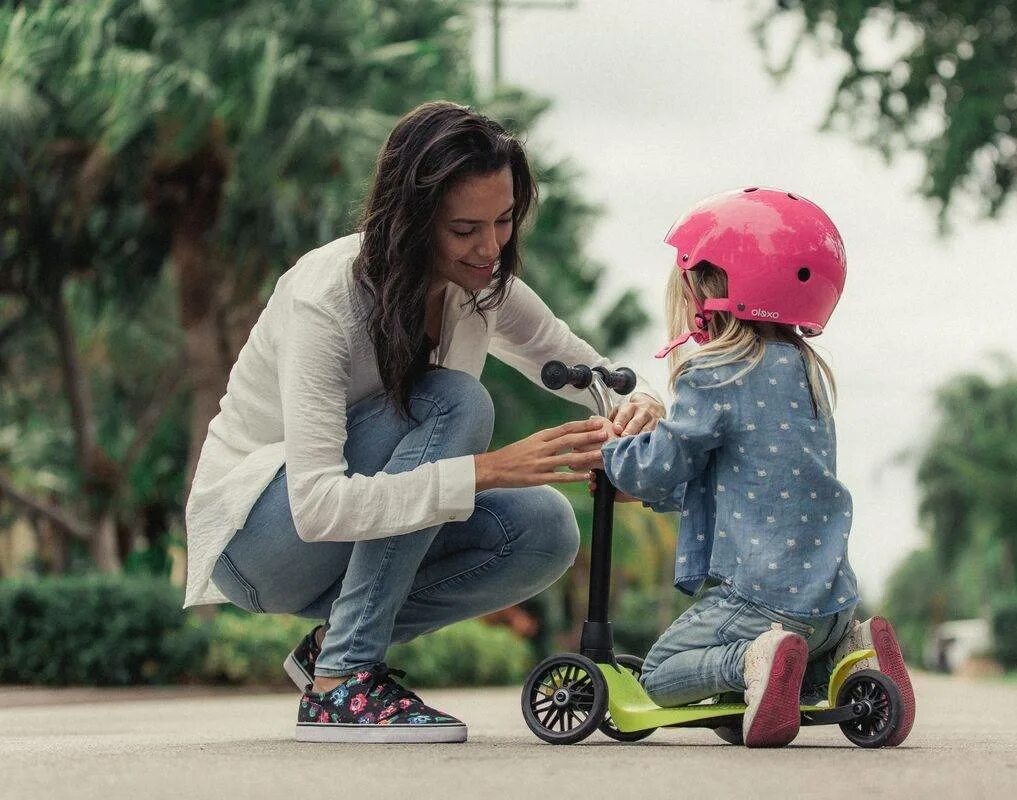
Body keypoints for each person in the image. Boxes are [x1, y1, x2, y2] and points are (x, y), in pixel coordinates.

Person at [183, 101, 665, 743]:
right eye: (466, 228)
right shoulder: (325, 297)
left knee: (546, 529)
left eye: (504, 221)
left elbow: (591, 372)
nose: (490, 248)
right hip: (261, 540)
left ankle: (330, 649)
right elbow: (318, 508)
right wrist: (487, 471)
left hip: (336, 539)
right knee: (456, 402)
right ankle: (341, 683)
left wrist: (641, 414)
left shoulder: (482, 285)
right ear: (411, 221)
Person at [596, 187, 915, 747]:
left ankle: (752, 659)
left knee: (660, 673)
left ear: (707, 290)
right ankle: (851, 651)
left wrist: (613, 448)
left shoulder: (715, 373)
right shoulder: (808, 372)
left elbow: (655, 468)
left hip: (759, 600)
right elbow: (746, 475)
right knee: (802, 673)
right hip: (829, 601)